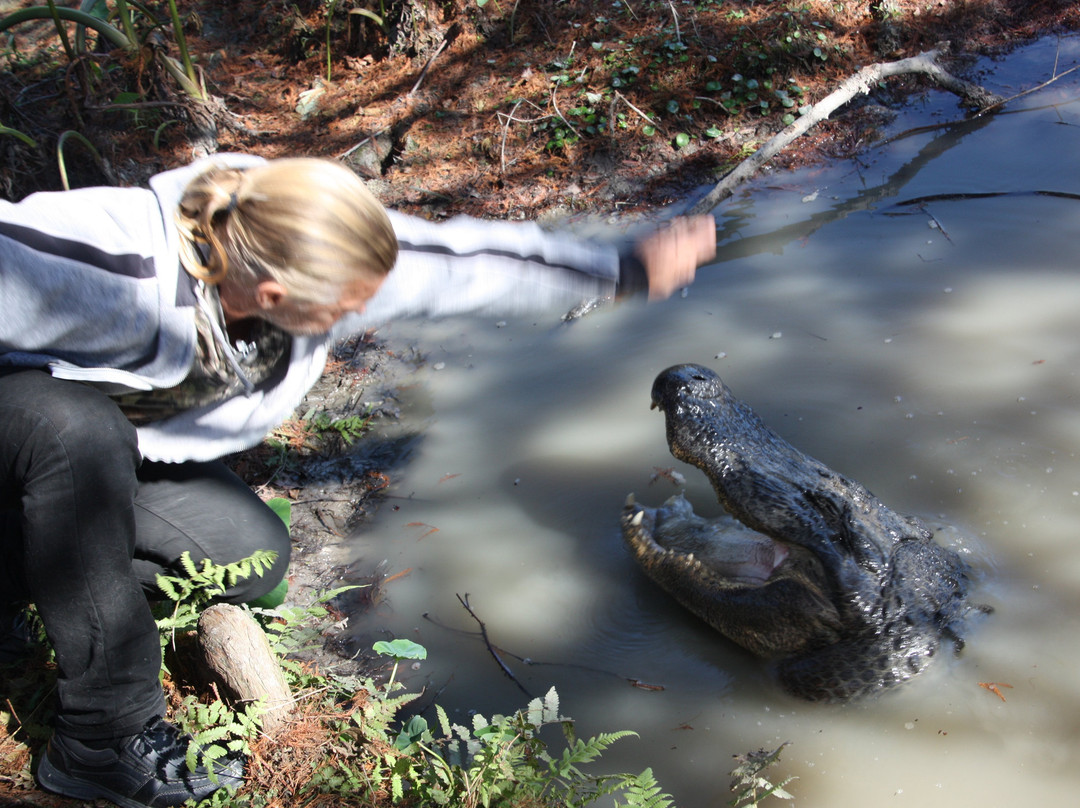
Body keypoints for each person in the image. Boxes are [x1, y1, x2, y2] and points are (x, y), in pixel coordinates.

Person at [0, 153, 716, 807]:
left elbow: (456, 263)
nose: (357, 316)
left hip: (87, 464)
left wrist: (618, 269)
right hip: (39, 432)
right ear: (275, 293)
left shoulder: (313, 245)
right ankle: (100, 741)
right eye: (345, 310)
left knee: (244, 554)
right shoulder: (107, 268)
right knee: (70, 428)